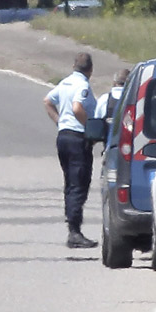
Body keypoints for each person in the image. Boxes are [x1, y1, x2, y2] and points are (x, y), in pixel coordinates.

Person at [44, 52, 98, 248]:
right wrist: (89, 130)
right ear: (90, 70)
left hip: (63, 137)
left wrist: (60, 123)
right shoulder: (82, 85)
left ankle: (72, 227)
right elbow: (77, 108)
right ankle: (74, 231)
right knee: (79, 182)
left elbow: (47, 101)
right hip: (77, 138)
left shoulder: (66, 82)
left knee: (70, 182)